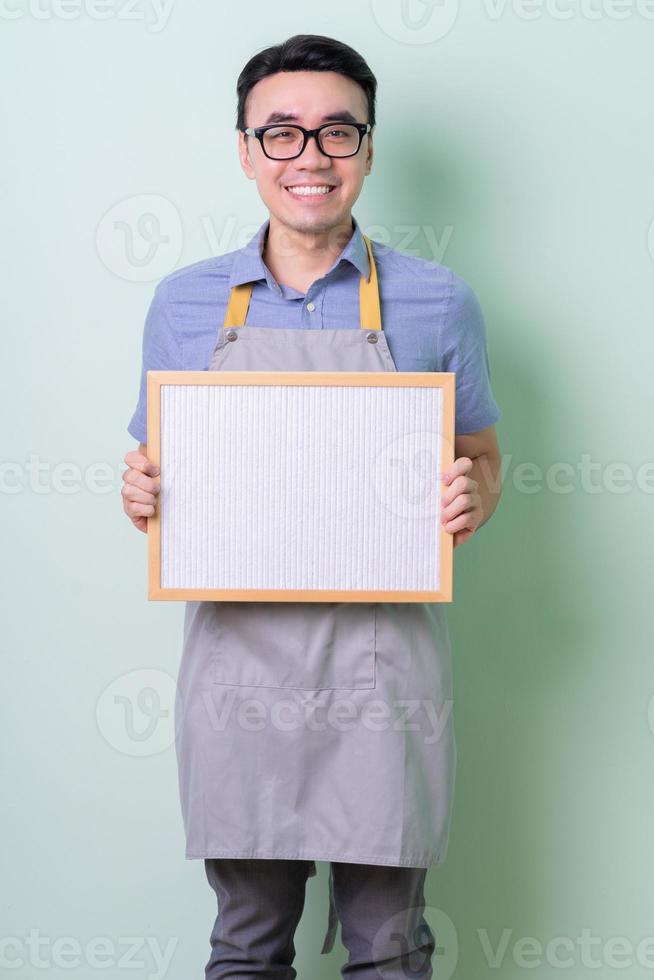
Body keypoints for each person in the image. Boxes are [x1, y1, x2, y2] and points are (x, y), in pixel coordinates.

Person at [121, 34, 503, 980]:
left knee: (390, 946)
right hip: (236, 668)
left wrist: (472, 493)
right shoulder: (183, 303)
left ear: (368, 150)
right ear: (245, 150)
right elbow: (157, 467)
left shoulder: (438, 300)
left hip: (381, 665)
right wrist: (140, 493)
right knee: (246, 946)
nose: (311, 157)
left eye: (337, 132)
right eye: (282, 134)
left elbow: (485, 459)